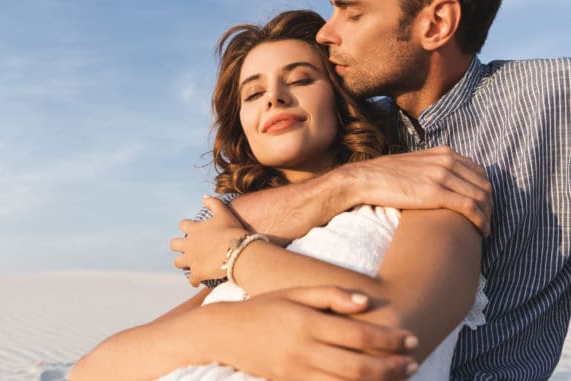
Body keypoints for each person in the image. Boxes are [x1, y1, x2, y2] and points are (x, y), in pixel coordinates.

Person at [71, 10, 489, 381]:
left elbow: (388, 335)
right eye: (253, 94)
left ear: (343, 100)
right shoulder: (252, 237)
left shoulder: (428, 194)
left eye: (301, 79)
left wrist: (239, 257)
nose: (274, 97)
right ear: (243, 127)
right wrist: (228, 330)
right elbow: (91, 371)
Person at [174, 0, 568, 379]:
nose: (327, 32)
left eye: (353, 12)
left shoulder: (555, 101)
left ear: (436, 24)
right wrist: (355, 181)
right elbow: (208, 232)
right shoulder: (361, 129)